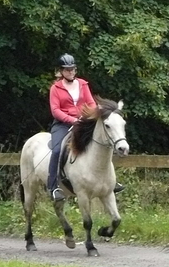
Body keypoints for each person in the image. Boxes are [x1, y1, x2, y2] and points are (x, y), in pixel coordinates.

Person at [47, 54, 125, 201]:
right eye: (67, 69)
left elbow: (90, 103)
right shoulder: (55, 88)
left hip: (83, 121)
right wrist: (72, 120)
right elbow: (55, 111)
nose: (71, 72)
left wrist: (94, 114)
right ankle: (53, 186)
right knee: (57, 150)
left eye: (73, 69)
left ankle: (110, 182)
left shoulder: (83, 84)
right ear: (61, 71)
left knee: (103, 143)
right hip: (63, 124)